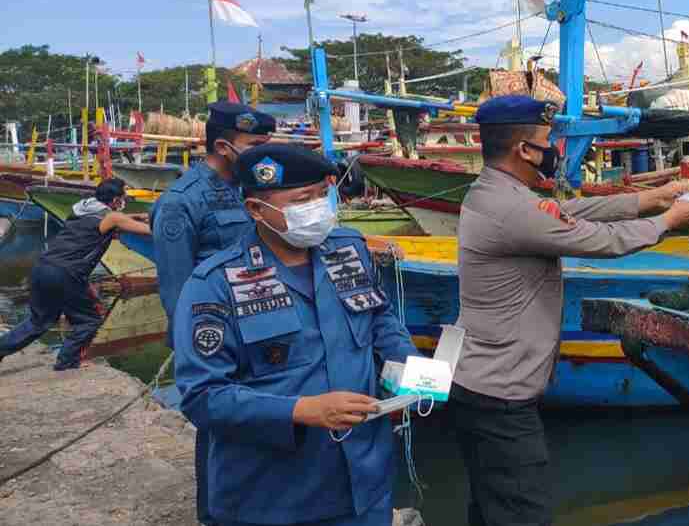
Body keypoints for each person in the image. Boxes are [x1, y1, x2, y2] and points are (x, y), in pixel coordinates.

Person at [452, 95, 689, 526]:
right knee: (522, 514)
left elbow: (567, 211)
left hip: (481, 386)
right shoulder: (511, 209)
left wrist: (649, 199)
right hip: (500, 399)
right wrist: (668, 221)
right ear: (524, 150)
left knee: (493, 508)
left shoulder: (497, 192)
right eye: (548, 140)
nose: (556, 150)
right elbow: (602, 241)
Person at [173, 143, 419, 526]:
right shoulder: (215, 284)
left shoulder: (348, 249)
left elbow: (381, 319)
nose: (319, 209)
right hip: (274, 495)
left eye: (323, 195)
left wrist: (409, 370)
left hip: (365, 482)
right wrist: (304, 410)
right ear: (256, 209)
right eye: (304, 199)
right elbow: (202, 396)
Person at [151, 101, 274, 526]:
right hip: (216, 337)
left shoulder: (251, 190)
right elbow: (177, 288)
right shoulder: (181, 202)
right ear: (223, 146)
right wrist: (198, 347)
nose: (265, 153)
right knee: (218, 428)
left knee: (259, 423)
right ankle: (214, 515)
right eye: (256, 144)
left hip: (262, 325)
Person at [0, 179, 150, 369]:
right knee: (89, 320)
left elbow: (113, 218)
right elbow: (148, 231)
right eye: (123, 196)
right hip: (66, 273)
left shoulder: (81, 209)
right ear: (114, 200)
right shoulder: (113, 218)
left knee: (40, 321)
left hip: (43, 267)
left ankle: (1, 348)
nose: (124, 200)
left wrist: (138, 215)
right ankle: (67, 362)